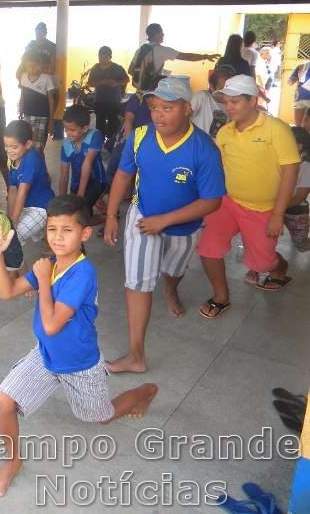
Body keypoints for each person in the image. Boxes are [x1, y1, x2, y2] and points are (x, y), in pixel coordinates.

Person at [0, 195, 158, 497]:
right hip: (47, 354)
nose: (58, 237)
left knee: (100, 417)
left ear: (85, 234)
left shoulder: (83, 273)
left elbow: (52, 323)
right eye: (52, 229)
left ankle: (145, 392)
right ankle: (14, 462)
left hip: (80, 363)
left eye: (67, 230)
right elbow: (7, 291)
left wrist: (42, 282)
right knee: (3, 400)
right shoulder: (48, 264)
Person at [104, 77, 226, 372]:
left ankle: (171, 288)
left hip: (184, 228)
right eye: (154, 107)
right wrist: (111, 215)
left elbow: (212, 202)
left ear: (188, 109)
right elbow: (122, 175)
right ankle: (136, 355)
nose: (158, 114)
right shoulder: (141, 136)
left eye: (167, 108)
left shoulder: (204, 149)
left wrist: (166, 221)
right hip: (143, 216)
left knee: (174, 270)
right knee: (138, 282)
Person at [197, 75, 300, 318]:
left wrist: (278, 214)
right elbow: (220, 170)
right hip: (228, 202)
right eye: (226, 102)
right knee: (208, 249)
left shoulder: (277, 129)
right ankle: (221, 298)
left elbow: (290, 171)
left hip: (263, 209)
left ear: (253, 100)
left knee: (262, 264)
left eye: (235, 102)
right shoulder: (225, 133)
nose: (228, 107)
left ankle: (280, 268)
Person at [4, 120, 55, 245]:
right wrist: (10, 220)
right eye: (6, 146)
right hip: (26, 206)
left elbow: (22, 192)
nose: (9, 151)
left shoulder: (32, 158)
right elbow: (12, 191)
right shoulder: (12, 160)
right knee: (7, 230)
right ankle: (47, 235)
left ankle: (50, 233)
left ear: (28, 144)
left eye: (14, 147)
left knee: (13, 239)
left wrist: (13, 224)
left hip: (41, 208)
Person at [128, 23, 219, 92]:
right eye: (161, 32)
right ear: (156, 34)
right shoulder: (162, 50)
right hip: (151, 92)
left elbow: (131, 70)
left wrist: (143, 76)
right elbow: (186, 57)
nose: (163, 35)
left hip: (138, 92)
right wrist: (206, 56)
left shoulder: (140, 49)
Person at [59, 105, 108, 224]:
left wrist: (80, 195)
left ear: (85, 128)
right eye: (65, 129)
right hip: (77, 182)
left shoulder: (95, 136)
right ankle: (97, 202)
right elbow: (64, 175)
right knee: (71, 210)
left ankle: (108, 218)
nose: (67, 133)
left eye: (72, 130)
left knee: (80, 219)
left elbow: (87, 163)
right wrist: (61, 200)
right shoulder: (66, 146)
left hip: (96, 181)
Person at [18, 50, 57, 154]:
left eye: (34, 66)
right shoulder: (23, 77)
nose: (31, 68)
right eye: (29, 66)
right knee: (27, 143)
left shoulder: (47, 78)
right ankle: (34, 167)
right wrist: (20, 109)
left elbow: (51, 99)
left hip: (42, 117)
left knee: (39, 147)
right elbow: (22, 95)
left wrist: (51, 120)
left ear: (40, 65)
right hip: (27, 115)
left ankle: (40, 168)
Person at [88, 46, 129, 141]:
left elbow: (127, 79)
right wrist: (102, 82)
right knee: (99, 125)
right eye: (100, 57)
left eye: (104, 57)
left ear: (110, 56)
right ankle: (99, 144)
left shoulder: (117, 68)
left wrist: (116, 83)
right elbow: (90, 83)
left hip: (114, 101)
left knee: (113, 124)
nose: (102, 59)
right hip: (100, 100)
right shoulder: (95, 68)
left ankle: (111, 144)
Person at [283, 127, 310, 252]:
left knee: (301, 245)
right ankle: (254, 269)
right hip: (275, 208)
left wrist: (276, 206)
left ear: (299, 146)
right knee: (263, 239)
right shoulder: (277, 162)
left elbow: (299, 198)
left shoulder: (306, 168)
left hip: (296, 212)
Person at [190, 66, 233, 138]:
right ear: (212, 87)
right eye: (222, 89)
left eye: (229, 89)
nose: (226, 93)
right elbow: (183, 117)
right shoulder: (202, 97)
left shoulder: (231, 105)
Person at [288, 60, 310, 127]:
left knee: (304, 124)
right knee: (299, 125)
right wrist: (295, 79)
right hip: (299, 98)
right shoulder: (302, 66)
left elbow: (290, 82)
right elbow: (290, 82)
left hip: (301, 97)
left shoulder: (302, 66)